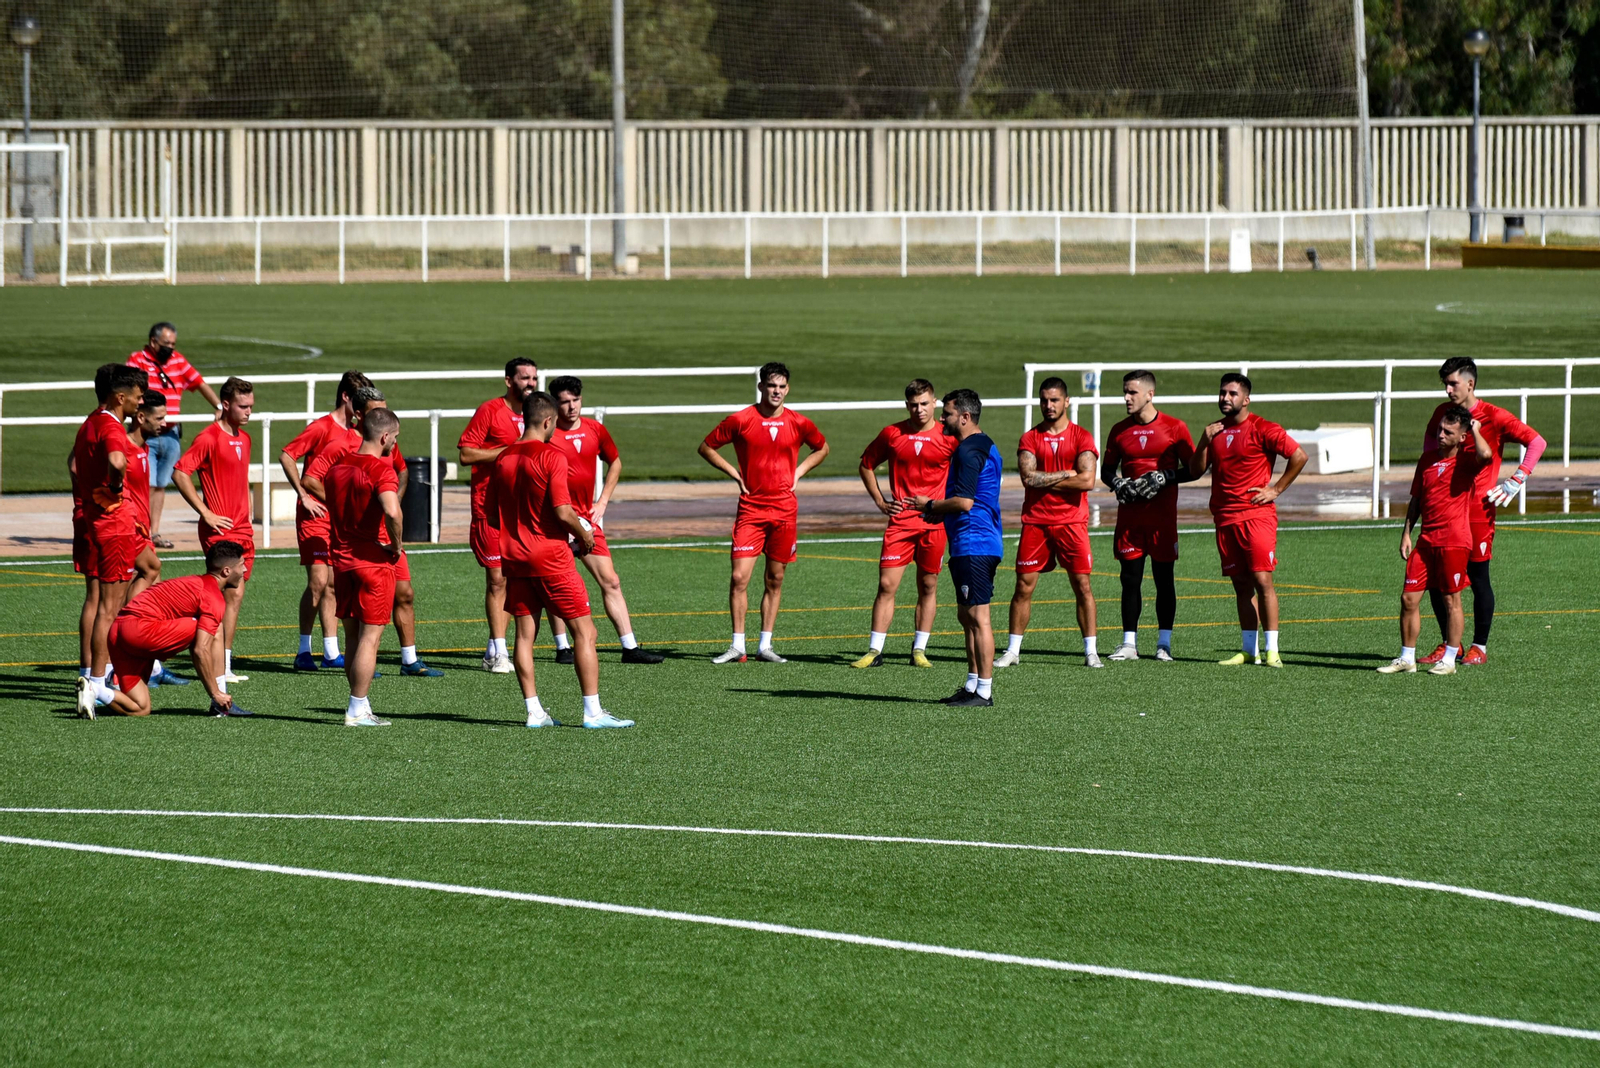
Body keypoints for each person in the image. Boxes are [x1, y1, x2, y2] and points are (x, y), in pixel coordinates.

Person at [487, 391, 632, 728]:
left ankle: (534, 712)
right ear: (549, 421)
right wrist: (584, 536)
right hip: (551, 558)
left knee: (525, 635)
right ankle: (593, 712)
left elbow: (493, 515)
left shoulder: (503, 458)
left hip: (515, 559)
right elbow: (563, 511)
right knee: (586, 632)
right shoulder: (552, 456)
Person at [303, 387, 443, 677]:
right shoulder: (340, 446)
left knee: (404, 594)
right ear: (360, 414)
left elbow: (401, 472)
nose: (383, 413)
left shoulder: (387, 444)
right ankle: (361, 678)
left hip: (386, 536)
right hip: (364, 543)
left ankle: (408, 660)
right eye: (377, 409)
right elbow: (311, 479)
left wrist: (392, 501)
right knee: (363, 623)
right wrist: (347, 508)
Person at [1417, 357, 1548, 666]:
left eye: (1453, 383)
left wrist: (1517, 478)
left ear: (1470, 384)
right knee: (1438, 581)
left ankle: (1480, 647)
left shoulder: (1494, 416)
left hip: (1477, 512)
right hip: (1444, 514)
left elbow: (1537, 441)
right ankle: (1452, 645)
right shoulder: (1440, 415)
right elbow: (1428, 457)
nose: (1448, 390)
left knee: (1477, 578)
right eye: (1445, 384)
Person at [698, 361, 829, 664]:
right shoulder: (741, 419)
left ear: (788, 389)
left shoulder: (799, 422)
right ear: (761, 387)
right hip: (751, 510)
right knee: (738, 577)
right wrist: (734, 473)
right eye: (772, 386)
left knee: (775, 579)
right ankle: (737, 645)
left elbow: (822, 448)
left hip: (785, 511)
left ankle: (765, 645)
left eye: (782, 387)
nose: (777, 392)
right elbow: (706, 447)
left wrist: (800, 472)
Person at [1188, 373, 1308, 668]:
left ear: (1246, 399)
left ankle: (1273, 651)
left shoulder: (1263, 428)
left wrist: (1276, 489)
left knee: (1263, 580)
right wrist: (1203, 440)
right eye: (1222, 393)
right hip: (1225, 517)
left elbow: (1299, 456)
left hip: (1256, 516)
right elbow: (1195, 470)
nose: (1225, 398)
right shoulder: (1215, 432)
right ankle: (1248, 650)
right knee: (1241, 585)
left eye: (1231, 394)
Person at [543, 376, 664, 665]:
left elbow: (616, 461)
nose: (572, 407)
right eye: (564, 402)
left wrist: (603, 501)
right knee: (557, 584)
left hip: (587, 520)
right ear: (554, 405)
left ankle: (630, 648)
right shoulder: (546, 435)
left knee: (610, 580)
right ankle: (562, 648)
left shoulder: (595, 429)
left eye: (576, 400)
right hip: (555, 521)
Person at [996, 377, 1103, 670]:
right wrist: (1067, 474)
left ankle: (1090, 651)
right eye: (1044, 400)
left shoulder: (1081, 437)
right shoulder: (1029, 438)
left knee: (1082, 585)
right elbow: (1028, 477)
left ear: (1066, 401)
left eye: (1054, 400)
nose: (1048, 405)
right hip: (1036, 523)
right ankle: (1013, 651)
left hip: (1072, 523)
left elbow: (1087, 480)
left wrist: (1050, 478)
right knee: (1023, 587)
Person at [76, 540, 249, 720]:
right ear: (226, 571)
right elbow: (200, 649)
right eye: (241, 565)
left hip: (118, 633)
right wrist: (215, 692)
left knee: (140, 708)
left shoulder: (193, 582)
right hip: (138, 631)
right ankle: (219, 702)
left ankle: (94, 689)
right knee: (214, 629)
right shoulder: (213, 596)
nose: (244, 570)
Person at [1378, 407, 1493, 676]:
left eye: (1448, 432)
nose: (1440, 434)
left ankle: (1450, 659)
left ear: (1462, 437)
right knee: (1408, 598)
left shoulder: (1467, 461)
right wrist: (1406, 532)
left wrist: (1474, 428)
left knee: (1451, 599)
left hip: (1454, 541)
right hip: (1425, 541)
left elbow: (1486, 454)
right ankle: (1407, 657)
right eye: (1440, 429)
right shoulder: (1426, 460)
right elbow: (1416, 499)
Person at [908, 389, 1004, 707]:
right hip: (970, 541)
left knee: (978, 617)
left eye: (946, 413)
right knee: (967, 616)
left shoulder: (969, 451)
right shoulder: (980, 444)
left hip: (975, 542)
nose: (941, 419)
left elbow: (964, 502)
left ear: (964, 417)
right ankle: (973, 683)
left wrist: (931, 503)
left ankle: (985, 691)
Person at [853, 378, 955, 669]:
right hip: (900, 522)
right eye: (913, 404)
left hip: (933, 523)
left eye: (924, 404)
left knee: (928, 585)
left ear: (934, 403)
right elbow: (866, 464)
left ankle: (919, 650)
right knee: (886, 585)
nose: (919, 409)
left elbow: (964, 476)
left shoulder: (949, 437)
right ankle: (875, 650)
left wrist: (945, 507)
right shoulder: (892, 433)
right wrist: (881, 501)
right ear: (906, 404)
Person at [278, 369, 373, 671]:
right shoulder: (321, 427)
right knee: (318, 582)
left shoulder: (358, 434)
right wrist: (303, 495)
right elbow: (287, 455)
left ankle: (331, 652)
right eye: (358, 403)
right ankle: (303, 650)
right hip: (315, 516)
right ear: (346, 397)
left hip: (340, 519)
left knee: (335, 584)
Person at [1101, 370, 1196, 662]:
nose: (1127, 398)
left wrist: (1164, 477)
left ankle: (1163, 644)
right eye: (1125, 392)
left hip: (1162, 520)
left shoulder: (1174, 427)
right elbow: (1106, 470)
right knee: (1129, 579)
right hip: (1130, 519)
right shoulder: (1119, 429)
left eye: (1132, 392)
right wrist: (1117, 483)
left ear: (1149, 394)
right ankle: (1129, 644)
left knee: (1163, 579)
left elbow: (1193, 469)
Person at [323, 408, 406, 727]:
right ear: (385, 437)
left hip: (341, 561)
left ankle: (362, 702)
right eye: (394, 439)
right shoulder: (381, 469)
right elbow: (393, 511)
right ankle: (356, 708)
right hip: (372, 562)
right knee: (371, 639)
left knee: (353, 639)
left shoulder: (335, 468)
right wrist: (396, 546)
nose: (394, 444)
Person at [70, 364, 146, 707]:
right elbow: (117, 461)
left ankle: (94, 675)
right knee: (109, 607)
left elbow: (73, 464)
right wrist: (115, 486)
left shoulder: (90, 421)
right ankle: (98, 683)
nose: (140, 401)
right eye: (137, 396)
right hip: (113, 525)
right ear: (120, 397)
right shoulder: (112, 428)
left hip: (96, 520)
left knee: (100, 600)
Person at [173, 376, 256, 684]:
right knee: (219, 598)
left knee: (236, 596)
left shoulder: (244, 439)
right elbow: (181, 473)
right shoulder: (208, 437)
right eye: (243, 406)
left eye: (251, 406)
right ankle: (211, 661)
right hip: (220, 532)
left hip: (243, 530)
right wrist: (205, 512)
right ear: (225, 405)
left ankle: (225, 664)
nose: (248, 412)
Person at [458, 357, 539, 673]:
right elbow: (466, 453)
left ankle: (496, 647)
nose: (530, 383)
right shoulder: (490, 411)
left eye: (533, 378)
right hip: (489, 510)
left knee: (513, 580)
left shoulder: (536, 415)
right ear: (509, 381)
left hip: (521, 512)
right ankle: (499, 651)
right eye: (524, 378)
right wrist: (508, 450)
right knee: (497, 579)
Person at [125, 322, 221, 549]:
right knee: (144, 483)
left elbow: (198, 382)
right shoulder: (137, 360)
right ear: (153, 342)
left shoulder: (178, 360)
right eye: (166, 344)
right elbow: (126, 389)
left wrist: (218, 405)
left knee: (160, 484)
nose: (171, 348)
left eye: (173, 344)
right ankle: (139, 530)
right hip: (144, 434)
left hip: (171, 434)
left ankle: (153, 531)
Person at [122, 392, 190, 689]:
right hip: (125, 530)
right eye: (159, 418)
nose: (166, 423)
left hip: (140, 530)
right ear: (141, 417)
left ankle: (149, 664)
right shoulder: (123, 446)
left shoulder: (140, 448)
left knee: (152, 574)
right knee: (116, 598)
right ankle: (115, 665)